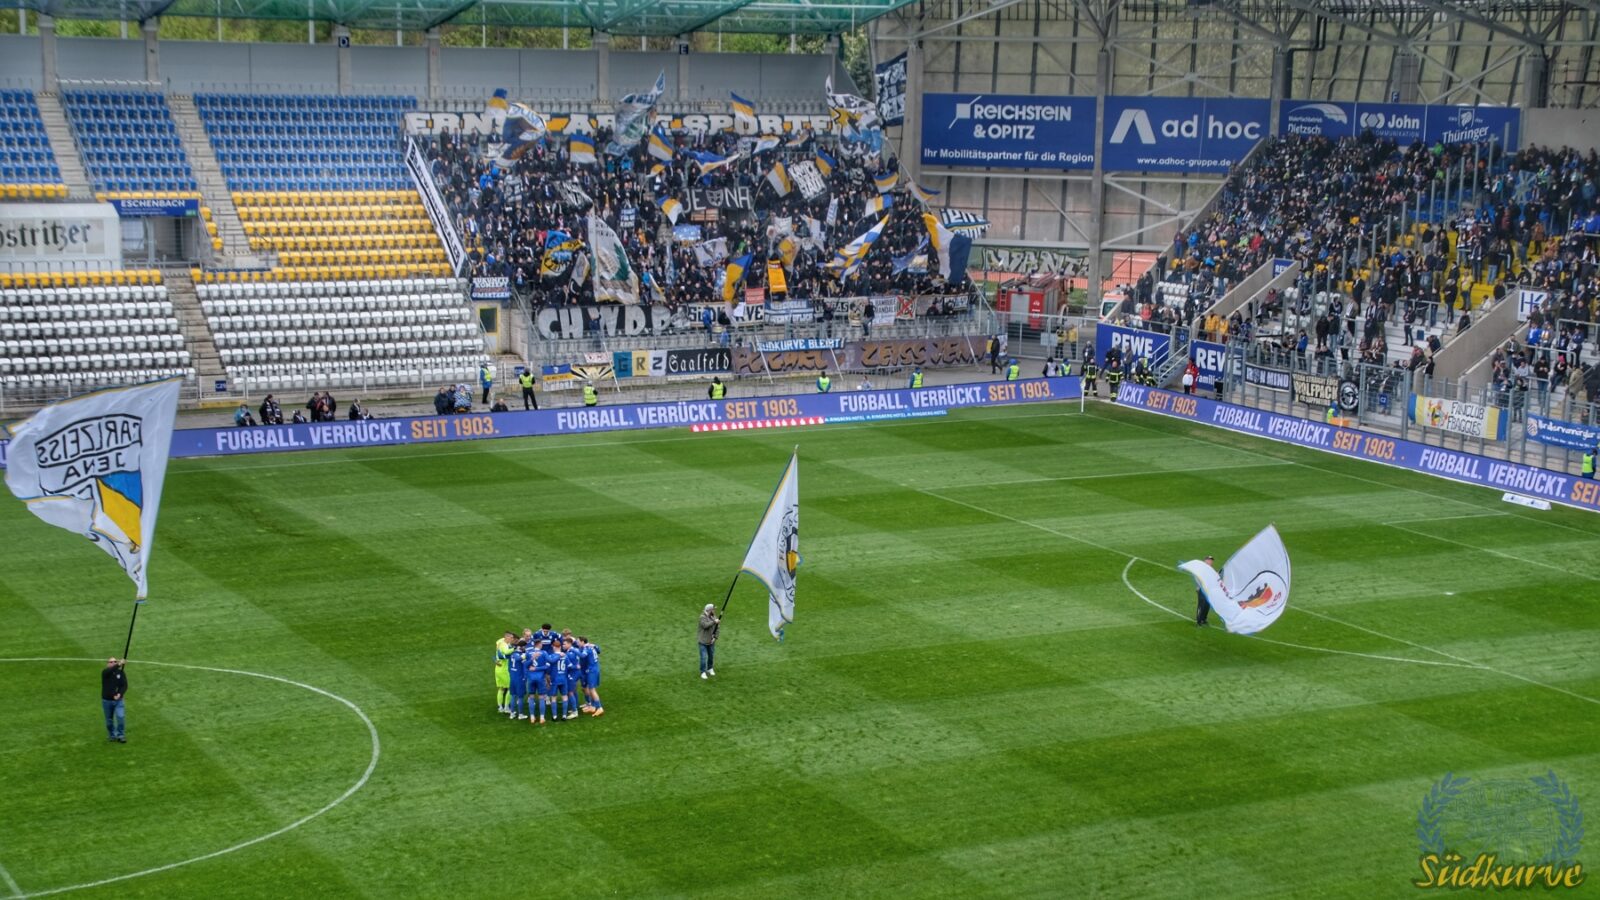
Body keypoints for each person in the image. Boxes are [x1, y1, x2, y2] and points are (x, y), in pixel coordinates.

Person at [101, 656, 127, 743]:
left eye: (115, 661)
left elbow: (124, 685)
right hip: (107, 701)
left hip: (119, 701)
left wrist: (120, 694)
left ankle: (121, 735)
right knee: (109, 720)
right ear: (107, 664)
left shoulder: (121, 672)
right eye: (111, 662)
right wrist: (119, 664)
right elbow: (110, 670)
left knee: (120, 717)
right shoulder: (105, 672)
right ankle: (112, 735)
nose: (113, 663)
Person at [577, 636, 603, 717]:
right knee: (590, 688)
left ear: (582, 642)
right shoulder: (591, 646)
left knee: (592, 689)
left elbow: (583, 656)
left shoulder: (586, 648)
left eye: (578, 642)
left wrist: (574, 650)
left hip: (592, 670)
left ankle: (599, 708)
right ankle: (593, 706)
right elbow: (599, 650)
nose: (577, 643)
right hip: (595, 668)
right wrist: (594, 645)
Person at [506, 639, 529, 720]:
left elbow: (509, 666)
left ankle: (512, 713)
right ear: (522, 647)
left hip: (512, 677)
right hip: (520, 678)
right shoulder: (521, 656)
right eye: (525, 647)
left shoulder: (512, 653)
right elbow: (523, 663)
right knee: (520, 697)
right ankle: (521, 714)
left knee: (513, 696)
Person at [494, 631, 514, 713]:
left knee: (501, 688)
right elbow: (506, 652)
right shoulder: (504, 645)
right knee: (510, 688)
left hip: (498, 669)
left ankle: (500, 707)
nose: (512, 639)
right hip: (504, 670)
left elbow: (497, 642)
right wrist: (514, 648)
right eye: (511, 637)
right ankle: (506, 707)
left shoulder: (500, 642)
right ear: (507, 637)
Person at [698, 603, 720, 679]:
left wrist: (715, 638)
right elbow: (705, 625)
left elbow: (717, 628)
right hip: (703, 641)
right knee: (703, 657)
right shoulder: (702, 617)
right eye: (713, 609)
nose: (714, 610)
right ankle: (703, 672)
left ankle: (710, 668)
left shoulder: (714, 617)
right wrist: (714, 622)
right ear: (709, 610)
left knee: (711, 656)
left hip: (711, 641)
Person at [1196, 555, 1215, 627]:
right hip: (1202, 589)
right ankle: (1199, 621)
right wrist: (1199, 586)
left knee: (1207, 605)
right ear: (1205, 561)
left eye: (1211, 560)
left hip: (1209, 590)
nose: (1210, 561)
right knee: (1201, 605)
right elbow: (1197, 578)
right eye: (1209, 560)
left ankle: (1204, 619)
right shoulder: (1201, 569)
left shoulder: (1212, 569)